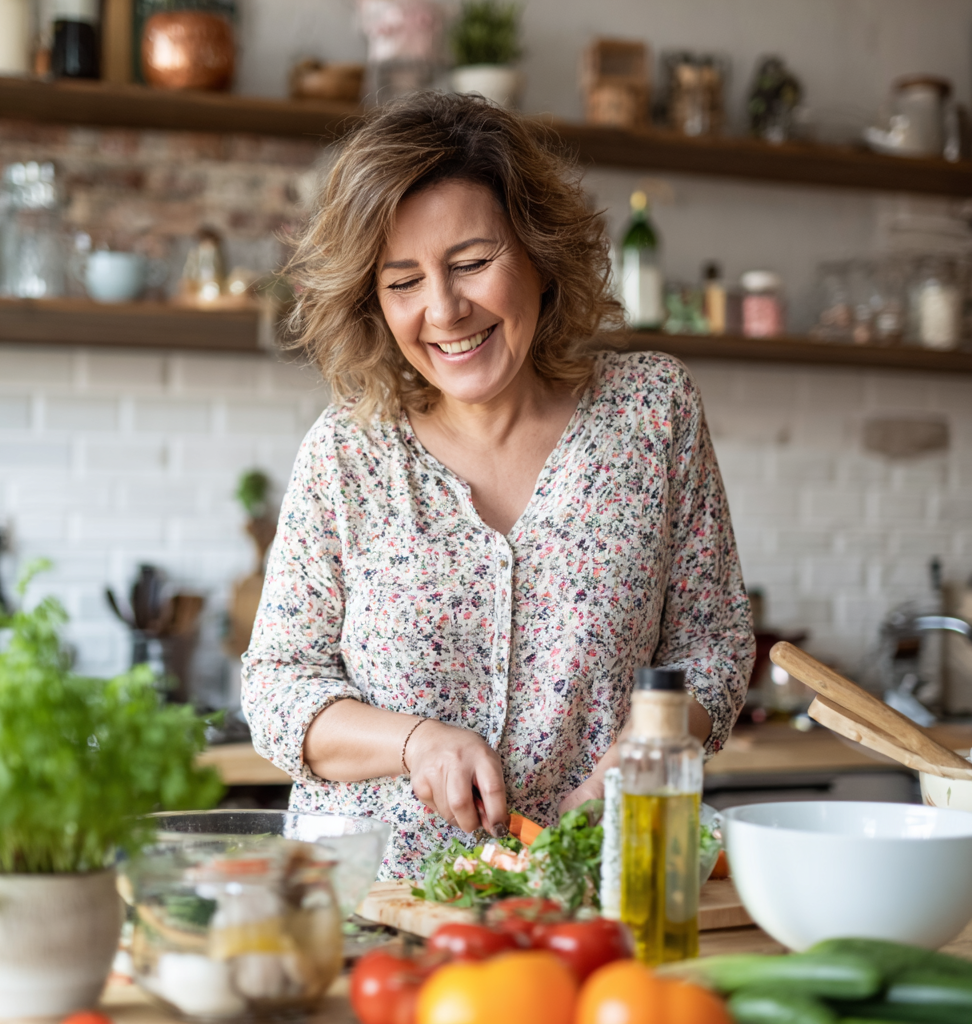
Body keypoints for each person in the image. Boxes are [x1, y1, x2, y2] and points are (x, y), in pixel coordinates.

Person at [242, 93, 755, 879]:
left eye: (473, 263)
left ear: (540, 253)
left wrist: (646, 757)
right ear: (373, 303)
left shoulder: (653, 413)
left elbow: (713, 643)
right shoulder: (346, 454)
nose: (444, 310)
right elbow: (278, 688)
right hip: (376, 909)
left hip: (596, 891)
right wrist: (413, 742)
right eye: (402, 281)